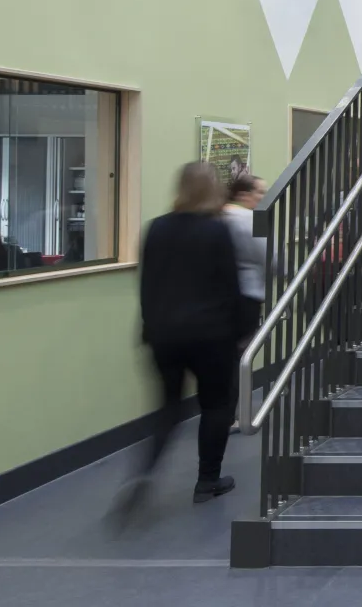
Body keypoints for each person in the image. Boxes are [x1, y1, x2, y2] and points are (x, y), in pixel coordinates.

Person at [123, 163, 243, 512]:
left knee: (168, 407)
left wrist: (149, 328)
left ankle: (143, 471)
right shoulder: (216, 231)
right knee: (216, 406)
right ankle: (207, 481)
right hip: (211, 335)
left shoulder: (156, 229)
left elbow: (147, 286)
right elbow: (230, 287)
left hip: (165, 334)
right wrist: (239, 332)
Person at [222, 172, 268, 349]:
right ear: (243, 195)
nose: (263, 197)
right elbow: (271, 255)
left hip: (221, 296)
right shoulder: (253, 219)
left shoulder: (218, 215)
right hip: (248, 295)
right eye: (260, 192)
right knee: (242, 350)